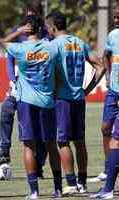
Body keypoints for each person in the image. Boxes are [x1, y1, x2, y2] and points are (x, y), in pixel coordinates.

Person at [1, 15, 62, 199]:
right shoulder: (51, 48)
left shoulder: (20, 49)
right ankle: (58, 189)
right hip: (47, 101)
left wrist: (18, 31)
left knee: (29, 145)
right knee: (51, 145)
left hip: (26, 102)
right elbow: (59, 75)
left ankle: (34, 191)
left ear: (28, 29)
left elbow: (3, 42)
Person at [46, 11, 105, 195]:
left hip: (62, 99)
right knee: (80, 141)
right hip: (79, 98)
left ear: (53, 27)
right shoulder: (79, 43)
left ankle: (71, 184)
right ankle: (82, 183)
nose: (48, 30)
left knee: (63, 142)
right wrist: (88, 89)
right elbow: (101, 66)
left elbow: (48, 72)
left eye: (48, 27)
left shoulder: (53, 45)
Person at [0, 0, 48, 178]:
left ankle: (39, 163)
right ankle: (4, 151)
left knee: (40, 127)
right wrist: (13, 82)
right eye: (29, 13)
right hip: (19, 84)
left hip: (40, 86)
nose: (30, 16)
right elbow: (9, 60)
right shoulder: (17, 33)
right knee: (6, 110)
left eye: (34, 13)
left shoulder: (47, 34)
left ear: (40, 14)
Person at [91, 3, 119, 199]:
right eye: (115, 17)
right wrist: (109, 76)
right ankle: (108, 169)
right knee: (105, 128)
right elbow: (106, 55)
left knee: (117, 140)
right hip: (113, 91)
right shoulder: (112, 35)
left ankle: (108, 186)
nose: (116, 21)